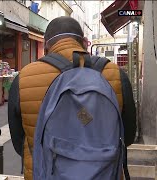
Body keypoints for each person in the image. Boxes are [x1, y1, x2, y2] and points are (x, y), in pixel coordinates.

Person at [8, 16, 137, 180]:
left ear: (46, 45)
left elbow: (18, 140)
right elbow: (129, 135)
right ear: (84, 42)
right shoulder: (115, 74)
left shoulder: (24, 77)